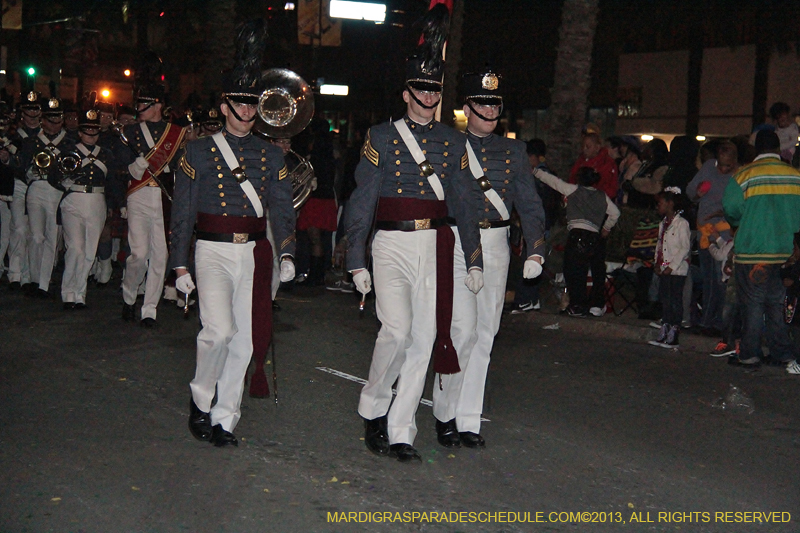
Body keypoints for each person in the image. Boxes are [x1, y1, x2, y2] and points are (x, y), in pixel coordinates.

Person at [345, 4, 484, 463]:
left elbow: (464, 202)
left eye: (434, 89)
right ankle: (374, 407)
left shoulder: (454, 141)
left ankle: (402, 429)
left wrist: (475, 257)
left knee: (425, 338)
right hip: (391, 243)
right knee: (397, 330)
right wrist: (355, 259)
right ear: (407, 93)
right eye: (420, 88)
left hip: (436, 246)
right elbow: (364, 197)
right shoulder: (381, 136)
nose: (427, 96)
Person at [169, 19, 296, 447]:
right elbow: (183, 212)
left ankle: (226, 417)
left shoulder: (269, 154)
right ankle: (201, 401)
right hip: (212, 251)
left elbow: (280, 207)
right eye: (238, 104)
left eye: (251, 104)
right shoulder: (198, 152)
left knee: (243, 340)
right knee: (218, 332)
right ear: (224, 106)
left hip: (254, 253)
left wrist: (288, 252)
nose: (245, 111)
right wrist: (179, 265)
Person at [432, 70, 546, 449]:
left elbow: (529, 203)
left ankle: (468, 418)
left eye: (494, 104)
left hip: (496, 242)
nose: (489, 110)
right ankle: (444, 414)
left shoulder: (514, 151)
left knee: (485, 335)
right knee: (461, 331)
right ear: (467, 108)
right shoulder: (449, 145)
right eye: (481, 103)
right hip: (457, 242)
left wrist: (535, 248)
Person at [115, 52, 186, 328]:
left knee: (161, 255)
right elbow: (122, 167)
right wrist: (134, 166)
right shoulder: (131, 132)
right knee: (138, 253)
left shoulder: (176, 132)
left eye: (145, 105)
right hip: (139, 194)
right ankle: (129, 295)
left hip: (165, 195)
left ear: (158, 105)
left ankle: (149, 308)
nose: (140, 109)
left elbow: (182, 166)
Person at [723, 129, 800, 373]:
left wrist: (743, 226)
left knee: (753, 305)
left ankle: (750, 355)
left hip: (754, 252)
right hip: (783, 251)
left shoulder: (744, 176)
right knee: (776, 304)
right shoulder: (794, 176)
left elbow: (731, 210)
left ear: (756, 149)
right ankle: (781, 353)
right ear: (778, 149)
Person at [536, 166, 620, 317]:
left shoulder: (573, 190)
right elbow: (615, 212)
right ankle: (596, 304)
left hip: (577, 236)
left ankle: (577, 305)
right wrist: (606, 228)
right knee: (597, 272)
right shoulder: (602, 196)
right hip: (595, 237)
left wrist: (535, 171)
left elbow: (553, 182)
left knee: (574, 272)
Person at [59, 104, 117, 309]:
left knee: (90, 251)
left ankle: (80, 293)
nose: (91, 135)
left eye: (94, 131)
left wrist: (112, 205)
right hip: (74, 200)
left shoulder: (106, 154)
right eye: (87, 131)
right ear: (80, 132)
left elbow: (111, 184)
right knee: (75, 248)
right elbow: (53, 177)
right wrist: (65, 181)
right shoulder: (68, 151)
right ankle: (68, 293)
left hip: (97, 202)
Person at [19, 97, 75, 298]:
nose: (54, 124)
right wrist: (30, 171)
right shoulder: (31, 141)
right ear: (43, 119)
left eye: (57, 119)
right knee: (35, 236)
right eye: (50, 119)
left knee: (53, 236)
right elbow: (21, 167)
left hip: (57, 191)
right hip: (36, 188)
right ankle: (34, 278)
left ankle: (43, 283)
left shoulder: (69, 143)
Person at [686, 141, 738, 335]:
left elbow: (737, 207)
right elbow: (690, 192)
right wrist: (697, 193)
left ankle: (720, 323)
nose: (723, 169)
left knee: (720, 279)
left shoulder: (738, 175)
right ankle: (706, 321)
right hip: (704, 233)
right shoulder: (709, 168)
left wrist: (717, 214)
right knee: (708, 278)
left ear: (734, 161)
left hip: (723, 236)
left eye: (727, 166)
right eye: (720, 165)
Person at [510, 138, 553, 314]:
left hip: (535, 227)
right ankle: (531, 299)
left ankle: (525, 300)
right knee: (535, 261)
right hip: (542, 225)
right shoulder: (548, 175)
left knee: (529, 261)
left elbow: (529, 203)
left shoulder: (536, 177)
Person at [7, 91, 43, 290]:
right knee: (19, 228)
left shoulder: (46, 136)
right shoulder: (14, 135)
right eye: (28, 110)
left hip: (38, 185)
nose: (32, 114)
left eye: (35, 109)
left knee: (34, 231)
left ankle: (29, 275)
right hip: (19, 184)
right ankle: (14, 273)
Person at [648, 187, 691, 348]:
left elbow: (684, 248)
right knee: (665, 299)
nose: (658, 206)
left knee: (675, 300)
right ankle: (665, 327)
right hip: (665, 267)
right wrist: (657, 264)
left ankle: (674, 331)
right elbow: (659, 245)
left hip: (677, 270)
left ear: (670, 203)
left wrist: (671, 267)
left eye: (660, 203)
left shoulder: (682, 224)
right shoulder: (663, 224)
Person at [568, 125, 618, 200]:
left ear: (597, 147)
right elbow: (572, 179)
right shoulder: (580, 161)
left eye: (588, 147)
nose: (584, 149)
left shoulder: (607, 163)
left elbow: (611, 188)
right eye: (583, 146)